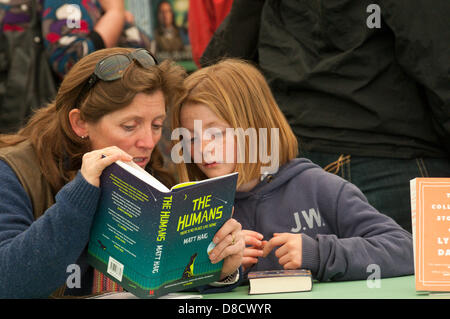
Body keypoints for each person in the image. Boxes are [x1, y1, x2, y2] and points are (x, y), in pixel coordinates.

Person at [0, 47, 244, 298]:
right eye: (129, 126)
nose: (148, 142)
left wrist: (219, 269)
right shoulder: (14, 171)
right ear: (80, 123)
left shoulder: (156, 172)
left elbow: (166, 279)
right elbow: (9, 283)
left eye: (157, 125)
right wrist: (81, 193)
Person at [200, 0, 450, 233]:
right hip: (390, 156)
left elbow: (229, 51)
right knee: (415, 275)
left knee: (294, 275)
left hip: (296, 156)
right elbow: (436, 54)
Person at [171, 58, 414, 281]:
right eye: (190, 138)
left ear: (255, 127)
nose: (202, 149)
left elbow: (407, 250)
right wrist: (220, 271)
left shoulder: (318, 188)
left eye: (215, 133)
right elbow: (173, 285)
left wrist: (319, 254)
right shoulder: (194, 210)